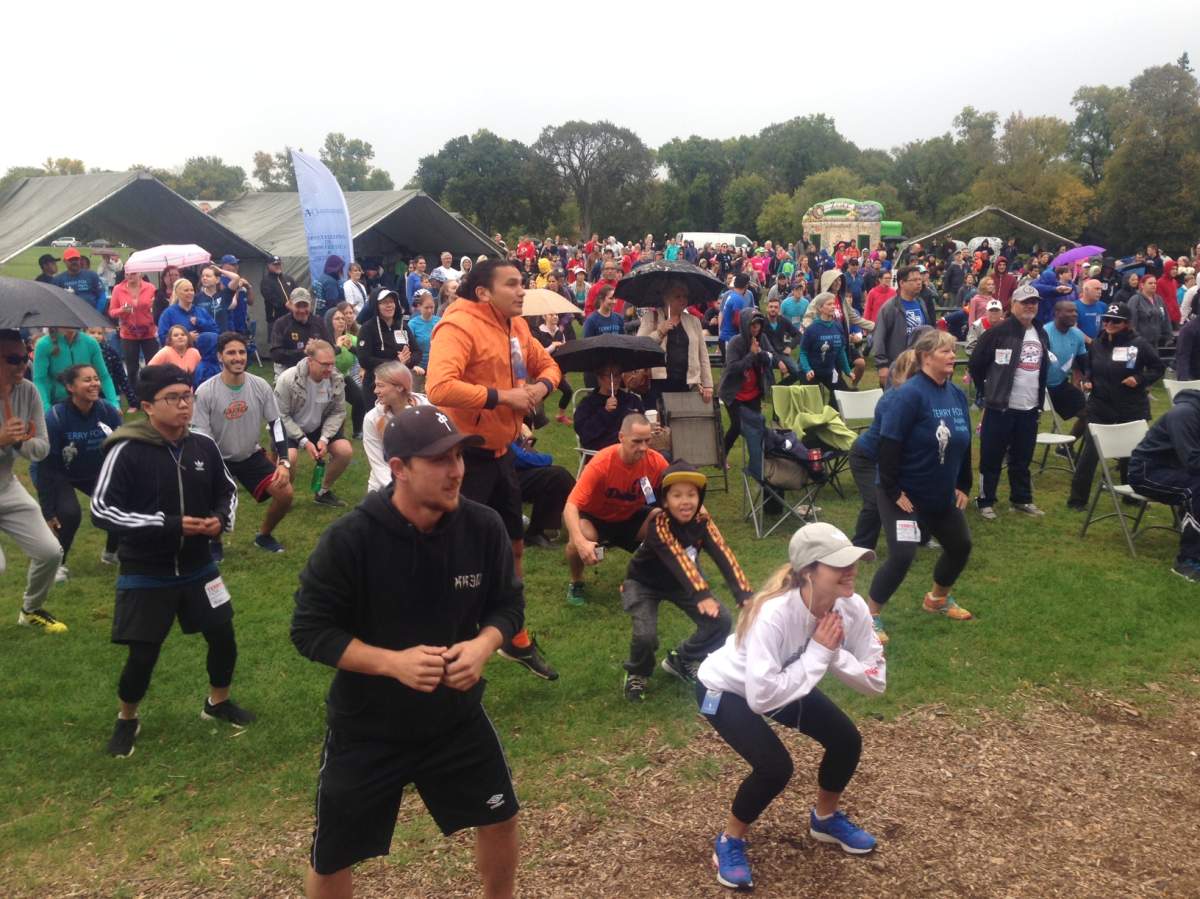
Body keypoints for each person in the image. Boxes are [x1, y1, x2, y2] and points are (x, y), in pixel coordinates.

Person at [291, 406, 523, 899]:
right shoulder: (350, 539)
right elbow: (310, 630)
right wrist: (391, 663)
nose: (457, 470)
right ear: (398, 468)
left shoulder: (482, 527)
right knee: (333, 853)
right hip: (368, 725)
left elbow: (509, 606)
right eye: (440, 459)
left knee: (501, 816)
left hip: (455, 718)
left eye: (460, 455)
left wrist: (483, 645)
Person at [696, 522, 886, 891]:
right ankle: (730, 840)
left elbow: (876, 679)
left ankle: (825, 819)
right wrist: (819, 651)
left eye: (854, 561)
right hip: (723, 688)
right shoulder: (775, 614)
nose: (851, 571)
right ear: (808, 572)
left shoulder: (852, 607)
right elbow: (761, 697)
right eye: (838, 565)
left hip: (781, 679)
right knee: (775, 767)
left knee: (846, 740)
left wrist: (828, 655)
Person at [92, 363, 251, 758]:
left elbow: (226, 490)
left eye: (188, 396)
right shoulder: (126, 449)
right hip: (146, 570)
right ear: (147, 406)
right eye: (173, 399)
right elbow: (102, 509)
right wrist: (170, 524)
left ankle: (217, 703)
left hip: (200, 566)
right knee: (143, 653)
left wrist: (219, 520)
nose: (184, 406)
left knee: (223, 637)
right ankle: (127, 718)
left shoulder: (202, 445)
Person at [426, 259, 561, 679]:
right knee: (453, 556)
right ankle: (442, 647)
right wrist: (504, 397)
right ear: (484, 292)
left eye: (523, 283)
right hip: (463, 458)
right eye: (513, 285)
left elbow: (550, 367)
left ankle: (513, 635)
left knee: (514, 547)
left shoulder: (516, 325)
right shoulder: (458, 326)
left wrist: (539, 389)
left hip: (503, 454)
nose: (523, 291)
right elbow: (438, 386)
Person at [620, 461, 752, 701]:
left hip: (680, 584)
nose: (685, 501)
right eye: (677, 495)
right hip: (643, 584)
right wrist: (701, 594)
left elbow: (723, 554)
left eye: (691, 494)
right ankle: (638, 673)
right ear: (665, 500)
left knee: (721, 621)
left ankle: (682, 658)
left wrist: (743, 593)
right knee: (645, 635)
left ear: (700, 497)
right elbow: (677, 558)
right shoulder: (659, 525)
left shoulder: (703, 522)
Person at [869, 329, 975, 624]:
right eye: (945, 351)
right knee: (902, 554)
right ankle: (870, 616)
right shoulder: (909, 395)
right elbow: (888, 444)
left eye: (953, 350)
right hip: (904, 495)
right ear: (926, 357)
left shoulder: (955, 394)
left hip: (939, 492)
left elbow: (963, 441)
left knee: (960, 545)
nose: (953, 355)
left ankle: (937, 599)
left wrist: (963, 484)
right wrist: (892, 490)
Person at [192, 332, 294, 555]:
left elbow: (276, 423)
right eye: (230, 353)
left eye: (241, 352)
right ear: (220, 357)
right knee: (213, 499)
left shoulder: (260, 386)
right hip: (217, 459)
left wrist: (284, 461)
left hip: (250, 455)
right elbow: (200, 436)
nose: (237, 357)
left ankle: (264, 535)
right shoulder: (205, 391)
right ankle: (214, 542)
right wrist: (212, 470)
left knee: (285, 493)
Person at [1067, 302, 1165, 510]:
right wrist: (1088, 380)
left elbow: (1158, 368)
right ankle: (1077, 499)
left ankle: (1132, 495)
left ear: (1127, 324)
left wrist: (1139, 379)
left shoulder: (1138, 344)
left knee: (1132, 454)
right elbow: (1090, 368)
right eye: (1107, 320)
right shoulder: (1097, 344)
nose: (1110, 324)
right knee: (1090, 452)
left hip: (1130, 406)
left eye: (1116, 321)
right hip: (1100, 405)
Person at [562, 413, 668, 605]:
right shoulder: (602, 463)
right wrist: (579, 542)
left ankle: (643, 578)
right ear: (621, 437)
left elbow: (679, 486)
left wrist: (700, 514)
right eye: (636, 441)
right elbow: (570, 506)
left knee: (664, 521)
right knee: (580, 536)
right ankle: (576, 582)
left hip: (629, 516)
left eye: (647, 441)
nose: (643, 448)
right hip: (595, 517)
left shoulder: (656, 461)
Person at [0, 330, 66, 633]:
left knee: (50, 552)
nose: (22, 365)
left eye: (24, 356)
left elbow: (41, 449)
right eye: (12, 359)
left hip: (6, 486)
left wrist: (19, 442)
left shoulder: (27, 391)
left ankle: (30, 610)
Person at [968, 284, 1051, 520]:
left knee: (1022, 457)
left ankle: (1022, 499)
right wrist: (987, 390)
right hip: (1000, 406)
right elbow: (976, 363)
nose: (1030, 306)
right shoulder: (998, 331)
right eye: (1025, 302)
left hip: (1029, 406)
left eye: (1034, 302)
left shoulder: (1040, 332)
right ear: (1013, 304)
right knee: (992, 456)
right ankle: (985, 500)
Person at [36, 364, 124, 581]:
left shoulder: (107, 411)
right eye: (87, 380)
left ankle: (111, 554)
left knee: (121, 503)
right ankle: (57, 563)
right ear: (70, 387)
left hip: (95, 472)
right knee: (69, 513)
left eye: (96, 378)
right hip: (59, 472)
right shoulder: (55, 417)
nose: (94, 383)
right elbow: (46, 466)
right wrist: (48, 512)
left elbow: (123, 447)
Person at [847, 348, 918, 575]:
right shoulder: (893, 399)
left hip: (889, 458)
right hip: (866, 456)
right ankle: (860, 547)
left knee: (906, 497)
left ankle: (913, 540)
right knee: (874, 501)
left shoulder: (916, 396)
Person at [1128, 389, 1200, 582]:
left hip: (1175, 469)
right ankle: (1188, 561)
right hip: (1146, 472)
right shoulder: (1184, 414)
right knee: (1196, 489)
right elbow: (1192, 460)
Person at [276, 340, 353, 508]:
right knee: (290, 458)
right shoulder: (288, 379)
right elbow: (280, 416)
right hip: (289, 426)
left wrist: (324, 438)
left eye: (332, 364)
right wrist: (304, 441)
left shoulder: (336, 378)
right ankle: (284, 497)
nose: (329, 369)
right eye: (325, 364)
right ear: (310, 361)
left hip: (319, 425)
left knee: (344, 451)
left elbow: (338, 412)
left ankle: (322, 491)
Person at [636, 278, 715, 408]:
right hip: (657, 385)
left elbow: (703, 355)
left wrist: (708, 384)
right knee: (659, 426)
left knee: (681, 424)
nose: (683, 300)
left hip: (686, 383)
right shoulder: (651, 317)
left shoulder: (693, 321)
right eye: (677, 296)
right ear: (666, 298)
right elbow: (640, 347)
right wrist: (660, 332)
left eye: (685, 296)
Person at [362, 361, 430, 492]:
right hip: (385, 486)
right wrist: (401, 489)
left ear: (400, 387)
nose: (375, 391)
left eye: (380, 386)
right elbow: (378, 463)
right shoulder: (372, 418)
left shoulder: (428, 411)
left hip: (423, 482)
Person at [718, 309, 774, 459]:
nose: (755, 328)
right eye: (752, 325)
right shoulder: (735, 342)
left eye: (758, 325)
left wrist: (761, 354)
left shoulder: (762, 339)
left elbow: (770, 359)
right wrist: (751, 354)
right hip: (734, 393)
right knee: (737, 427)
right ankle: (722, 455)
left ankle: (759, 460)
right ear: (744, 325)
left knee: (757, 426)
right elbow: (732, 368)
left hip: (753, 392)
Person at [510, 425, 575, 549]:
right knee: (556, 476)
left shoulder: (511, 421)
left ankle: (581, 519)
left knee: (555, 475)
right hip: (499, 479)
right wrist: (547, 458)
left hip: (510, 472)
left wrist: (526, 438)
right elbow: (519, 458)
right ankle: (583, 519)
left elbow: (523, 453)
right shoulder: (496, 422)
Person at [872, 265, 935, 388]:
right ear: (902, 283)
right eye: (914, 280)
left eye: (920, 279)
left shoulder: (921, 303)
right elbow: (879, 337)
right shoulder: (890, 307)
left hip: (921, 362)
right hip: (899, 364)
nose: (919, 283)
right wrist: (882, 366)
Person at [32, 327, 118, 413]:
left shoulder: (90, 343)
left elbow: (103, 376)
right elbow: (40, 380)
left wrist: (114, 404)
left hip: (88, 402)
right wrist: (46, 409)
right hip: (58, 404)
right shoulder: (43, 345)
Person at [1044, 299, 1091, 444]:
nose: (1075, 314)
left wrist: (1088, 378)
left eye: (1076, 311)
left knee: (1090, 414)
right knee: (1024, 421)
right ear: (1057, 313)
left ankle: (1065, 447)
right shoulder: (1045, 332)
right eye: (1070, 311)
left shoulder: (1077, 334)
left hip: (1059, 386)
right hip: (1038, 387)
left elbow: (1084, 361)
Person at [357, 288, 417, 399]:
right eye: (384, 302)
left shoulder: (402, 325)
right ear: (376, 306)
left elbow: (417, 351)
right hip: (375, 385)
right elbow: (364, 359)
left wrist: (407, 361)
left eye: (391, 302)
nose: (389, 305)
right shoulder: (367, 328)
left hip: (400, 383)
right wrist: (395, 363)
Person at [573, 362, 645, 451]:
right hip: (602, 453)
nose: (615, 380)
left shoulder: (631, 399)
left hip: (634, 449)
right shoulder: (588, 404)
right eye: (611, 376)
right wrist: (605, 412)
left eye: (618, 375)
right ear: (599, 378)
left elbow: (643, 425)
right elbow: (585, 434)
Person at [108, 268, 159, 386]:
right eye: (127, 273)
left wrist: (153, 306)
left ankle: (152, 389)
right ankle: (134, 396)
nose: (130, 276)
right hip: (128, 333)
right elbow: (111, 312)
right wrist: (122, 310)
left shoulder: (150, 287)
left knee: (152, 365)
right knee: (131, 369)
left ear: (140, 273)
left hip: (149, 331)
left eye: (133, 273)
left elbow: (156, 307)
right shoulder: (118, 289)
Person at [799, 292, 853, 394]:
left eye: (833, 304)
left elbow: (841, 352)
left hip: (829, 371)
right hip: (811, 372)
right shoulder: (811, 329)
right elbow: (803, 353)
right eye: (829, 304)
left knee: (843, 397)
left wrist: (847, 370)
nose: (833, 306)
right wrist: (807, 369)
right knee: (812, 405)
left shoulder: (838, 327)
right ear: (820, 308)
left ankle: (831, 407)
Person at [270, 288, 330, 376]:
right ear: (290, 304)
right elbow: (275, 354)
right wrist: (304, 352)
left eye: (305, 306)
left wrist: (318, 348)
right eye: (298, 306)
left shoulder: (319, 322)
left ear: (310, 305)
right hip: (288, 371)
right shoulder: (281, 324)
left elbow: (330, 347)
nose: (302, 310)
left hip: (315, 371)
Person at [329, 305, 365, 439]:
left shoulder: (351, 339)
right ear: (329, 321)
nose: (341, 321)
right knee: (334, 408)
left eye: (343, 319)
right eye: (337, 318)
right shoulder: (325, 339)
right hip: (325, 379)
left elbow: (363, 355)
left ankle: (358, 431)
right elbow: (325, 360)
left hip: (343, 376)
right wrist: (337, 347)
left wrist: (351, 348)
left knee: (360, 399)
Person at [531, 312, 573, 424]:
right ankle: (531, 416)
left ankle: (560, 415)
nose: (555, 317)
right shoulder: (538, 333)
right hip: (542, 370)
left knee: (568, 391)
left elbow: (565, 348)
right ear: (544, 317)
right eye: (551, 315)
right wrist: (552, 346)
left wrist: (564, 348)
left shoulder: (560, 332)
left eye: (556, 315)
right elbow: (537, 354)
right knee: (540, 396)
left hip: (556, 370)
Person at [158, 277, 219, 348]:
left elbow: (215, 331)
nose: (190, 293)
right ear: (178, 293)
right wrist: (187, 338)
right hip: (180, 355)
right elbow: (163, 338)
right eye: (186, 290)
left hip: (202, 355)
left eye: (192, 290)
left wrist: (200, 322)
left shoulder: (201, 311)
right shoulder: (168, 313)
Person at [53, 247, 107, 312]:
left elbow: (102, 296)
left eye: (76, 259)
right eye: (71, 260)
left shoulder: (91, 275)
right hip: (70, 314)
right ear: (65, 261)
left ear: (79, 259)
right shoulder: (58, 279)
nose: (74, 262)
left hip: (91, 313)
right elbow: (55, 301)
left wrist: (97, 313)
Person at [406, 289, 440, 392]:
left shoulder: (439, 321)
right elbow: (408, 346)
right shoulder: (412, 324)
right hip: (418, 367)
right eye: (426, 308)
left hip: (435, 366)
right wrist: (413, 365)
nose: (429, 310)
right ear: (419, 307)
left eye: (432, 307)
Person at [1128, 274, 1170, 349]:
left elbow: (1166, 318)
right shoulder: (1135, 299)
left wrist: (1168, 335)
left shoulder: (1159, 299)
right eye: (1150, 283)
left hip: (1156, 342)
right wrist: (1136, 338)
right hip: (1139, 343)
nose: (1153, 285)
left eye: (1155, 283)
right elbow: (1131, 321)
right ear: (1142, 285)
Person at [259, 256, 296, 329]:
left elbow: (296, 292)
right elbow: (273, 299)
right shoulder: (266, 281)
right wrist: (288, 305)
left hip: (292, 318)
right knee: (276, 339)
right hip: (275, 319)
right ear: (268, 265)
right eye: (275, 264)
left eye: (279, 264)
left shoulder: (288, 278)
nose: (278, 266)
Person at [718, 274, 751, 349]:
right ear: (746, 286)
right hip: (729, 339)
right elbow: (736, 321)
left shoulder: (731, 295)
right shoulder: (738, 299)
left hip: (725, 337)